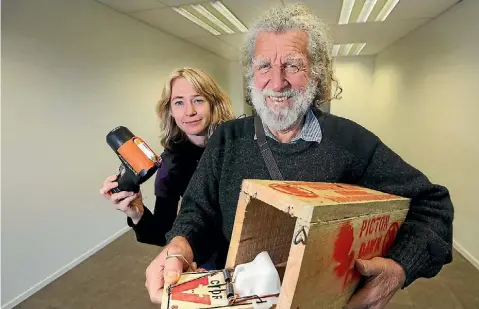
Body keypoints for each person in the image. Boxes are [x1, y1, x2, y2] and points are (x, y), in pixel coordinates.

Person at [144, 4, 455, 309]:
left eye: (293, 65)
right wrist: (179, 245)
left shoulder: (351, 142)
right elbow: (197, 209)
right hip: (238, 297)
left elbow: (433, 206)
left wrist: (399, 268)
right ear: (252, 73)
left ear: (316, 75)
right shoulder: (226, 139)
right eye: (264, 65)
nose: (277, 83)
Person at [99, 67, 235, 248]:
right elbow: (163, 235)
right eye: (179, 102)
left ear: (213, 103)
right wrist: (137, 213)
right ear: (170, 110)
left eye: (198, 100)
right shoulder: (171, 164)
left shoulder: (238, 144)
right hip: (208, 253)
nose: (189, 111)